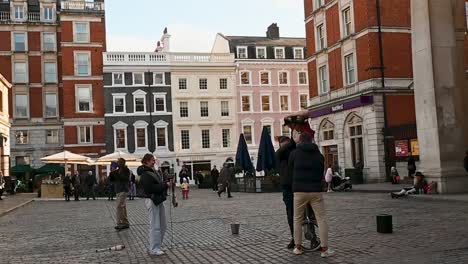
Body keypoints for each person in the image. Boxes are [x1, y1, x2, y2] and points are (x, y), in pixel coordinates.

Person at [289, 132, 333, 257]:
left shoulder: (294, 153)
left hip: (299, 190)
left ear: (300, 141)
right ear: (312, 141)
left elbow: (290, 169)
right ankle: (324, 249)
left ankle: (298, 247)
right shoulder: (319, 155)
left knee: (297, 219)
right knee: (321, 219)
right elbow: (321, 172)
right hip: (315, 190)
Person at [139, 153, 168, 256]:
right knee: (155, 225)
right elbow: (150, 188)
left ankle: (158, 245)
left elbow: (157, 184)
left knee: (162, 224)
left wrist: (164, 184)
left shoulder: (152, 171)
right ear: (146, 161)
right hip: (152, 200)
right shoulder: (145, 174)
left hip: (158, 199)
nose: (154, 161)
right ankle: (154, 248)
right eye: (152, 160)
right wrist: (164, 185)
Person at [111, 158, 130, 230]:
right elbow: (112, 180)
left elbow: (124, 179)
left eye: (119, 162)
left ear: (123, 163)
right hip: (118, 190)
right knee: (123, 207)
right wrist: (112, 173)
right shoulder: (117, 170)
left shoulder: (126, 170)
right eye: (117, 162)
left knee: (119, 206)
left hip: (123, 189)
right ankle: (125, 223)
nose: (118, 163)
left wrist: (115, 173)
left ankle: (120, 223)